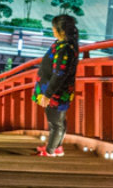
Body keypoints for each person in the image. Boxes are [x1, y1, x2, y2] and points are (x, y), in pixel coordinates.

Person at [32, 13, 78, 156]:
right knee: (56, 120)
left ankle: (51, 150)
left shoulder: (65, 49)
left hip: (56, 92)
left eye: (54, 28)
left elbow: (60, 74)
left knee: (56, 122)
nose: (52, 30)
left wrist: (48, 94)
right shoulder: (62, 43)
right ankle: (55, 147)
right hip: (55, 90)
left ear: (62, 31)